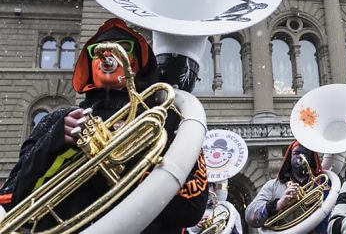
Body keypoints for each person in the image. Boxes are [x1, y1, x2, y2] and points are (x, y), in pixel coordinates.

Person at [3, 18, 208, 233]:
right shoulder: (56, 121)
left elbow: (191, 208)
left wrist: (121, 162)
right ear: (89, 65)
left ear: (138, 63)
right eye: (95, 51)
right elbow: (13, 198)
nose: (106, 54)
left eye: (123, 48)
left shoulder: (168, 122)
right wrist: (55, 143)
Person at [245, 140, 328, 234]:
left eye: (306, 153)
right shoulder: (272, 186)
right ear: (289, 157)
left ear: (312, 159)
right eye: (296, 153)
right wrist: (277, 204)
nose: (301, 157)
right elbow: (250, 216)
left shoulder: (322, 185)